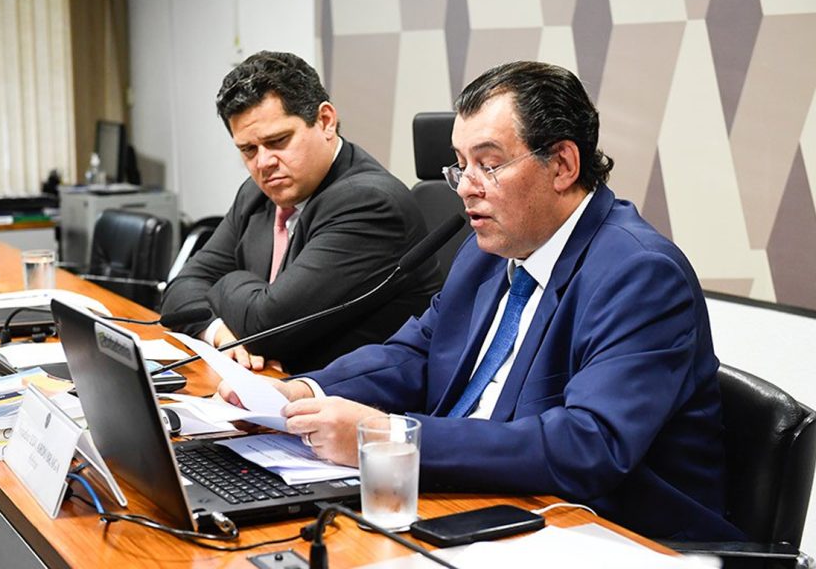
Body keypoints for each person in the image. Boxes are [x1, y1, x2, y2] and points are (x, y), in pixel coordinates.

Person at [219, 61, 744, 540]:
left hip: (609, 531)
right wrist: (298, 394)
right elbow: (416, 353)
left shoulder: (639, 273)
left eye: (487, 165)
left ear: (562, 164)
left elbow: (589, 445)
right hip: (480, 503)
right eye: (459, 165)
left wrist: (387, 434)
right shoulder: (487, 250)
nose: (465, 187)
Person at [162, 51, 441, 374]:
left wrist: (226, 282)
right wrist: (217, 332)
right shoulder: (257, 193)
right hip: (272, 386)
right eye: (248, 150)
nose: (263, 163)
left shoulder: (370, 204)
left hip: (353, 404)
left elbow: (265, 329)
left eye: (278, 141)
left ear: (325, 121)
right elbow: (180, 289)